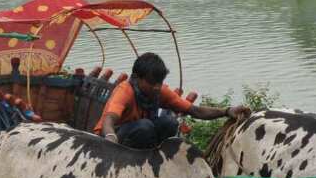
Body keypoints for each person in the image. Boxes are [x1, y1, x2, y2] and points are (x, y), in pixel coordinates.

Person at [98, 52, 246, 149]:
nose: (157, 87)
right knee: (145, 126)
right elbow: (109, 119)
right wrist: (111, 139)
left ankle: (152, 154)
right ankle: (141, 156)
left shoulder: (158, 91)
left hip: (141, 135)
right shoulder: (125, 91)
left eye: (159, 82)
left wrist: (227, 111)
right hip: (111, 139)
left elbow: (194, 110)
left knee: (169, 122)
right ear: (136, 78)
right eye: (151, 82)